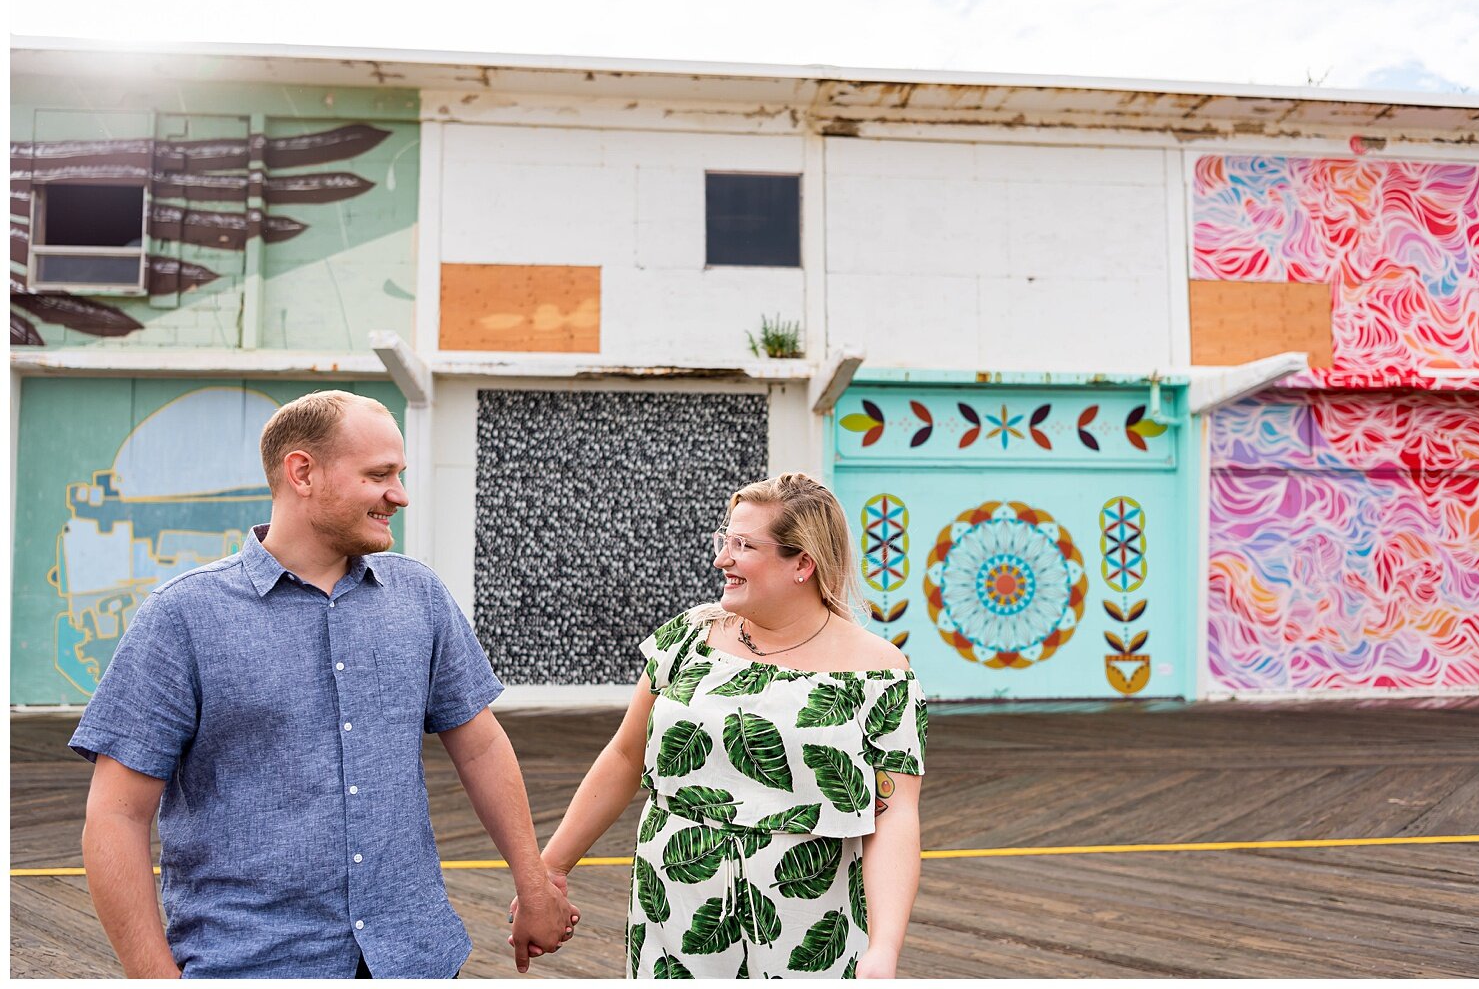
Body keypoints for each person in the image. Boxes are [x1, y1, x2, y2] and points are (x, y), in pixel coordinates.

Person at [70, 390, 578, 978]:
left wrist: (534, 884)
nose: (400, 495)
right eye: (379, 474)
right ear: (302, 472)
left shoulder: (419, 596)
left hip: (414, 957)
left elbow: (481, 745)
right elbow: (115, 816)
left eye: (400, 474)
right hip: (253, 963)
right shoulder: (183, 616)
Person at [519, 472, 927, 978]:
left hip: (806, 918)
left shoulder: (879, 673)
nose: (721, 559)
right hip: (676, 906)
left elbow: (894, 815)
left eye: (743, 545)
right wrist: (550, 871)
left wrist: (884, 948)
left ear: (802, 562)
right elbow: (626, 756)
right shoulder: (689, 637)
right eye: (724, 539)